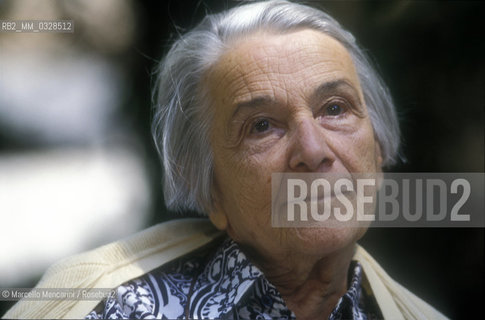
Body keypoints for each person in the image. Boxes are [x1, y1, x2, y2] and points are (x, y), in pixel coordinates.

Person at [4, 1, 447, 319]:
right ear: (211, 190)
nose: (313, 151)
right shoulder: (112, 310)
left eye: (335, 108)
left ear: (379, 151)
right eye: (261, 126)